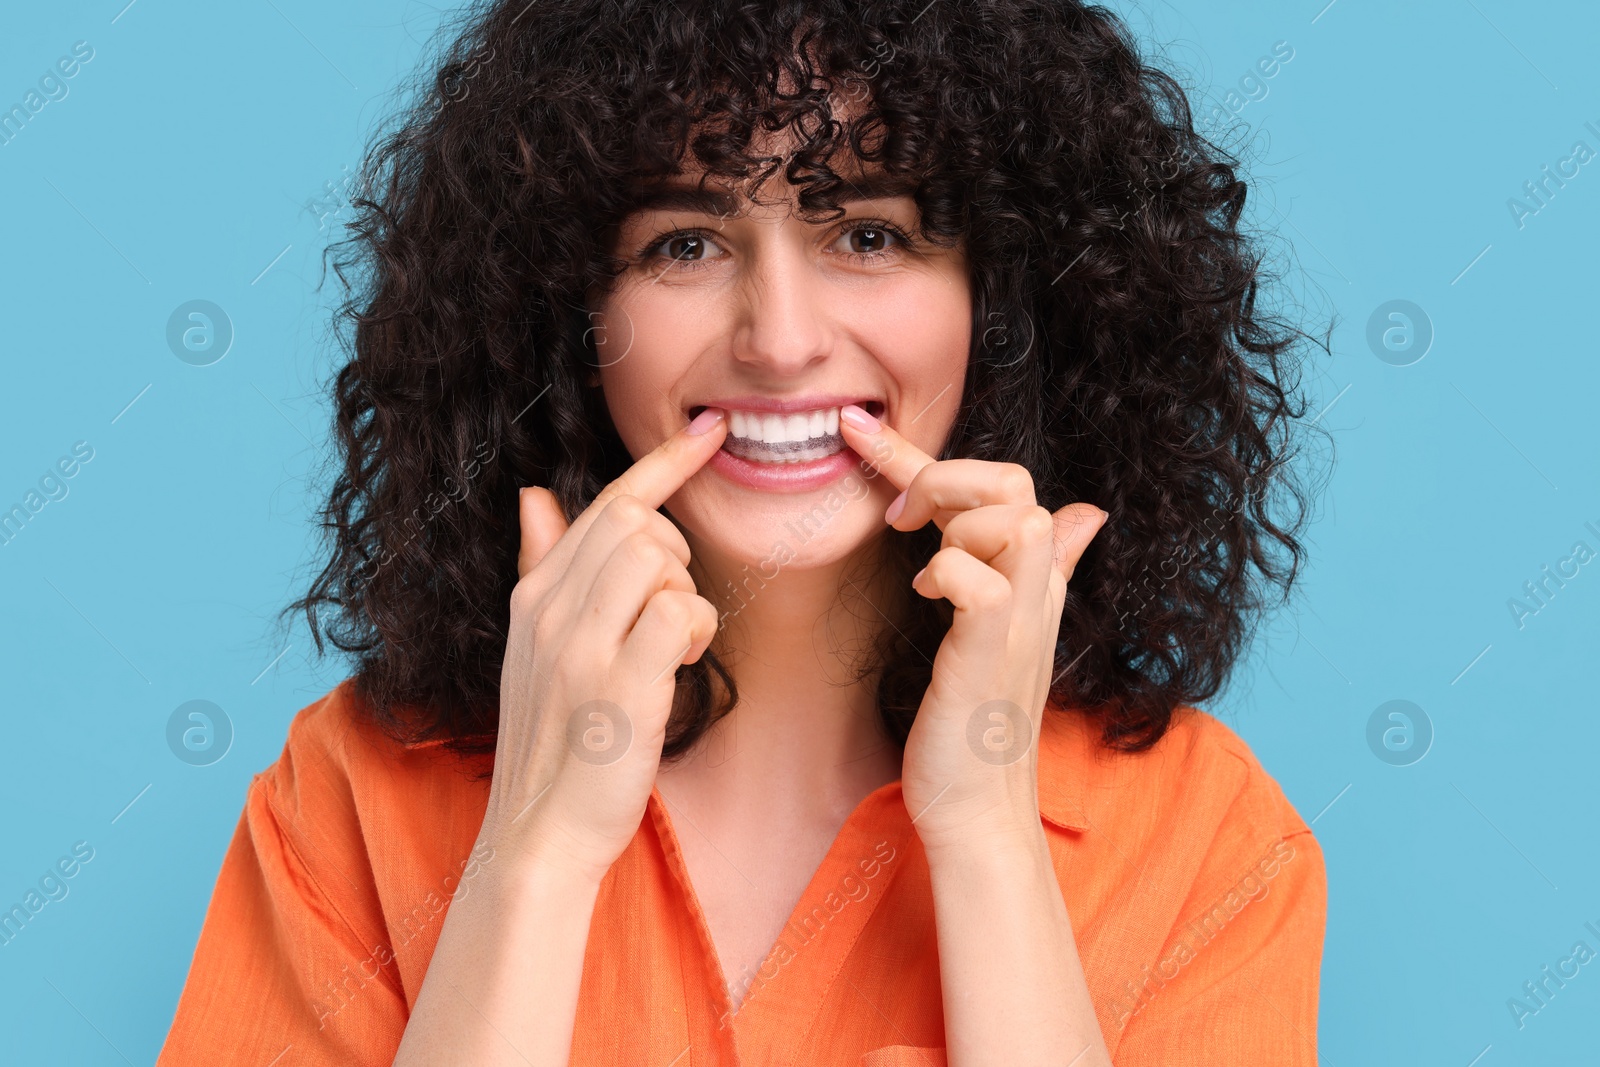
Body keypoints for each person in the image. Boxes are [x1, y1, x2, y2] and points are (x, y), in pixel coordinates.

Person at [157, 0, 1329, 1064]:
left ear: (1005, 302)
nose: (779, 340)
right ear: (566, 316)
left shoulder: (1210, 842)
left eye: (867, 234)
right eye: (684, 242)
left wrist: (986, 833)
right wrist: (534, 850)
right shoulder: (349, 799)